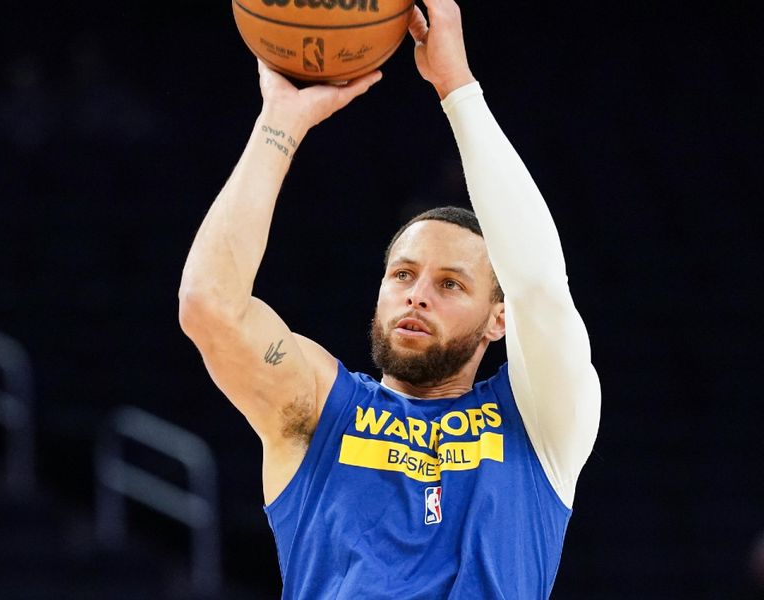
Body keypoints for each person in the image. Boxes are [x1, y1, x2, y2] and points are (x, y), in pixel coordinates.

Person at [178, 0, 601, 597]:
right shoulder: (321, 408)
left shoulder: (540, 423)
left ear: (498, 320)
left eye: (450, 284)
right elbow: (208, 306)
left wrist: (457, 88)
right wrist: (280, 124)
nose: (418, 296)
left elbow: (539, 286)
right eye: (403, 275)